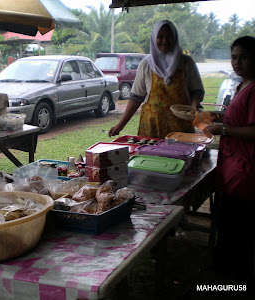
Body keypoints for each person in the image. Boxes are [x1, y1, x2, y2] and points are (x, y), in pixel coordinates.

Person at [207, 36, 255, 282]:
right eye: (234, 57)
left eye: (243, 57)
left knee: (238, 226)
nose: (237, 62)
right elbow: (238, 118)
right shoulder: (242, 85)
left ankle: (236, 280)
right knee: (228, 221)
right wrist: (220, 116)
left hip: (245, 171)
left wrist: (223, 129)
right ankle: (226, 270)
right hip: (232, 165)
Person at [108, 20, 204, 139]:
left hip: (181, 126)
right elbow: (136, 98)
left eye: (169, 37)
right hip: (152, 126)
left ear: (175, 38)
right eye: (160, 37)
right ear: (154, 38)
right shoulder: (146, 64)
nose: (164, 41)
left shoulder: (186, 62)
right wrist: (120, 125)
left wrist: (194, 105)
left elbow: (197, 91)